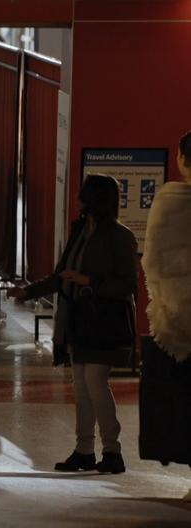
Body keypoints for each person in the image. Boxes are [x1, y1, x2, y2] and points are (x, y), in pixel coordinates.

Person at [8, 174, 137, 476]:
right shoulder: (81, 231)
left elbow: (128, 284)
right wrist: (28, 292)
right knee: (80, 387)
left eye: (83, 194)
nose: (77, 199)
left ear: (94, 200)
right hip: (79, 319)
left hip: (104, 322)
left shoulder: (121, 237)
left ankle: (112, 451)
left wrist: (88, 282)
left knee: (94, 383)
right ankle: (84, 450)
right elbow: (61, 274)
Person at [141, 130, 191, 501]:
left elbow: (153, 260)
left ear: (181, 159)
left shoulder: (170, 201)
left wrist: (171, 306)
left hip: (178, 320)